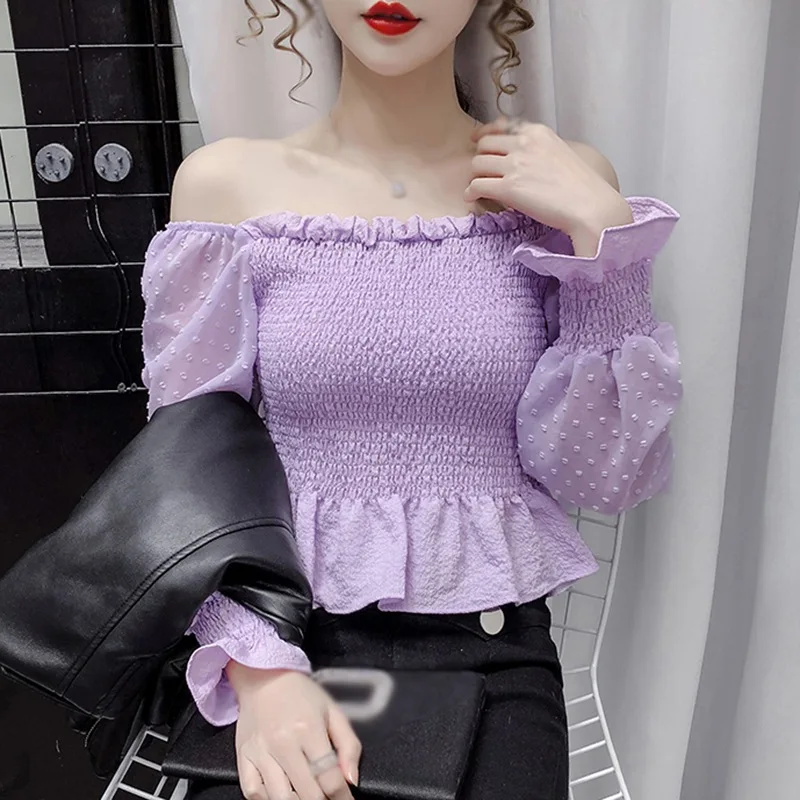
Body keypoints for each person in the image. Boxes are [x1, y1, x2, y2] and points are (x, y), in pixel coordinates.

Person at [140, 1, 682, 797]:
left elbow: (604, 476)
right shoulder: (228, 187)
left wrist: (604, 235)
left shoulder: (560, 184)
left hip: (492, 659)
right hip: (286, 649)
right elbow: (188, 467)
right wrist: (257, 670)